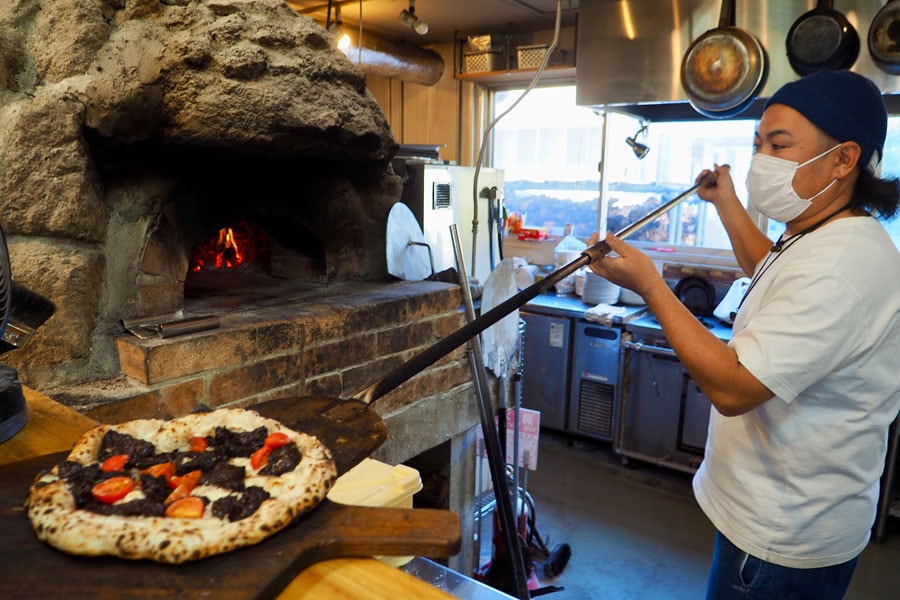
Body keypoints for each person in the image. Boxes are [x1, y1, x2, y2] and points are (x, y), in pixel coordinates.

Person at [587, 69, 900, 600]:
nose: (761, 159)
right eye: (758, 143)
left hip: (784, 535)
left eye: (780, 144)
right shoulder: (819, 231)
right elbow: (770, 269)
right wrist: (727, 202)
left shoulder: (845, 263)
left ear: (845, 158)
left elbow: (734, 388)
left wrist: (651, 287)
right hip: (761, 513)